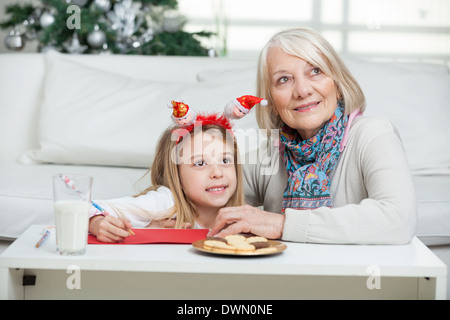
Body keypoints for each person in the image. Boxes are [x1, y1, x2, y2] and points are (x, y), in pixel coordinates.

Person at [209, 28, 417, 244]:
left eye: (315, 71)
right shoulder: (270, 154)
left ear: (338, 85)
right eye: (284, 79)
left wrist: (280, 224)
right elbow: (203, 195)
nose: (302, 90)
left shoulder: (374, 134)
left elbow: (399, 219)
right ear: (271, 102)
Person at [88, 103, 245, 243]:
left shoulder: (241, 216)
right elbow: (86, 207)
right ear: (176, 174)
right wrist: (96, 223)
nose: (217, 173)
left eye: (225, 161)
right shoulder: (165, 203)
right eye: (200, 163)